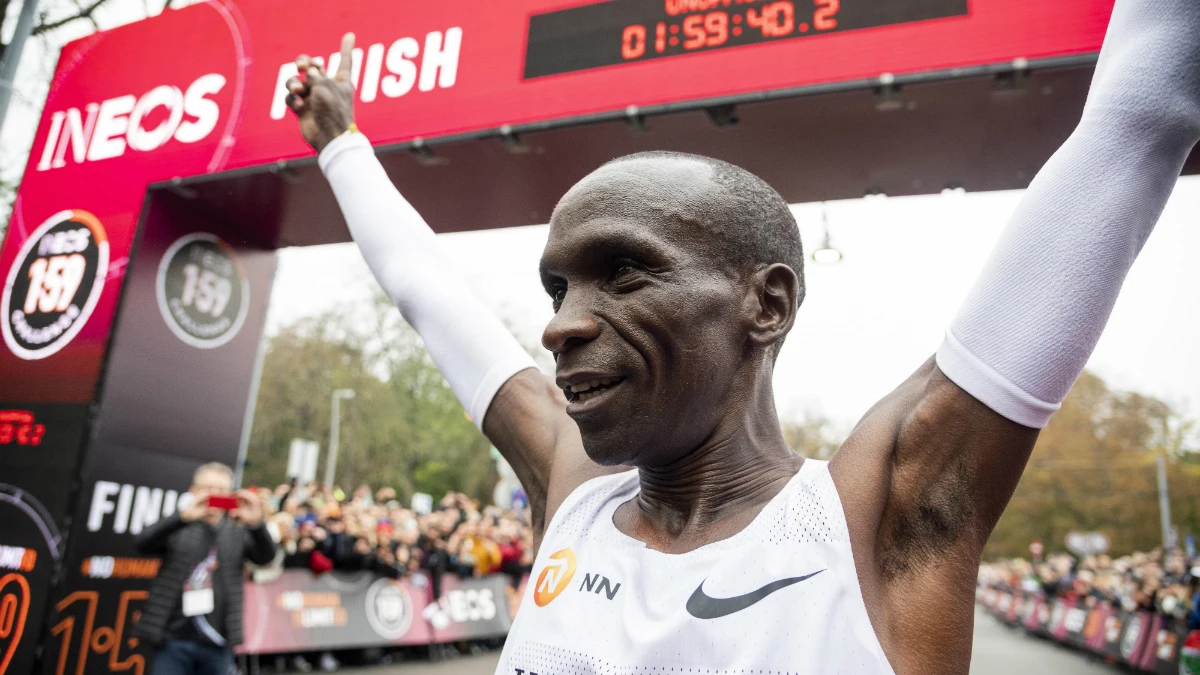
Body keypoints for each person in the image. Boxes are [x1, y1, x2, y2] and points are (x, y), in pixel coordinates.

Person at [283, 0, 1200, 670]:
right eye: (558, 286)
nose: (560, 325)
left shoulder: (879, 521)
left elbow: (1133, 125)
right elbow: (428, 293)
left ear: (766, 304)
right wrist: (342, 144)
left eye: (625, 273)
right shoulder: (575, 498)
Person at [133, 463, 276, 675]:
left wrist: (257, 524)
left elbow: (265, 558)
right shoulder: (179, 526)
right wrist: (182, 518)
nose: (214, 494)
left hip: (218, 640)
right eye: (207, 488)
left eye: (221, 490)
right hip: (173, 639)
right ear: (193, 490)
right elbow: (142, 544)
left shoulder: (237, 530)